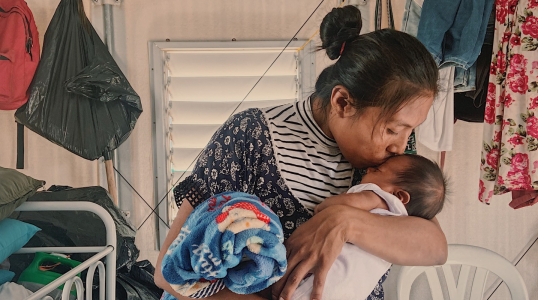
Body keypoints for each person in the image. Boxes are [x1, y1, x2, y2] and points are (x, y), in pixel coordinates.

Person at [155, 5, 447, 300]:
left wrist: (345, 223)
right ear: (343, 102)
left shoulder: (389, 161)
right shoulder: (250, 137)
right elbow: (170, 274)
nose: (401, 145)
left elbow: (434, 247)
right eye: (393, 129)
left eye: (410, 130)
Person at [292, 154, 448, 299]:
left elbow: (329, 208)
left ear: (399, 196)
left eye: (378, 170)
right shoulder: (408, 225)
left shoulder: (378, 195)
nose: (369, 169)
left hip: (321, 280)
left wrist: (324, 207)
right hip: (352, 291)